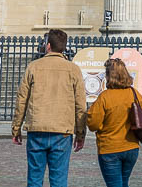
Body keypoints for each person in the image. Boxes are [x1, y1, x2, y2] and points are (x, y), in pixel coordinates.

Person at [13, 28, 89, 186]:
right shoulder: (73, 69)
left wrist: (16, 128)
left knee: (34, 179)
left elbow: (22, 99)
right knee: (59, 180)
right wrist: (80, 134)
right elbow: (80, 105)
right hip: (62, 131)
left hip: (37, 129)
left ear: (48, 46)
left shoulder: (33, 66)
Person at [86, 56, 142, 187]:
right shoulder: (135, 94)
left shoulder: (105, 97)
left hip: (110, 148)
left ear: (108, 76)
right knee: (124, 182)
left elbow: (93, 124)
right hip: (131, 147)